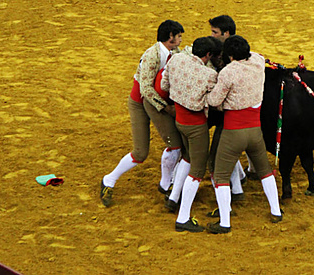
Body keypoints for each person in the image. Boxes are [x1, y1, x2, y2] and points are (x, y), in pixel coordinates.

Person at [100, 20, 185, 207]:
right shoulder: (151, 55)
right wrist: (166, 108)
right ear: (170, 37)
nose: (180, 40)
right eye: (178, 36)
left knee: (175, 144)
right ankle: (109, 179)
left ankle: (166, 184)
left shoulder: (174, 52)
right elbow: (145, 89)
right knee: (140, 152)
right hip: (141, 104)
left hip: (154, 102)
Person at [206, 36, 282, 234]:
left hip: (233, 132)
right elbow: (258, 54)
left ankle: (225, 222)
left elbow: (214, 101)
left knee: (221, 175)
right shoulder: (258, 61)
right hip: (255, 130)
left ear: (230, 55)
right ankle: (276, 211)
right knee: (264, 170)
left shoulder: (228, 72)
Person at [160, 36, 222, 232]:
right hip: (196, 127)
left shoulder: (176, 59)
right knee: (197, 170)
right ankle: (183, 217)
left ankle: (173, 198)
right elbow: (215, 101)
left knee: (187, 156)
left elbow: (164, 86)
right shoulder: (209, 75)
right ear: (208, 55)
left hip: (179, 121)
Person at [206, 14, 249, 196]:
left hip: (227, 113)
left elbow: (216, 99)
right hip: (236, 114)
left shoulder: (233, 61)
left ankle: (233, 193)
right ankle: (239, 181)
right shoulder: (243, 52)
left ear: (227, 33)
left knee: (217, 156)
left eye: (215, 32)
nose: (212, 35)